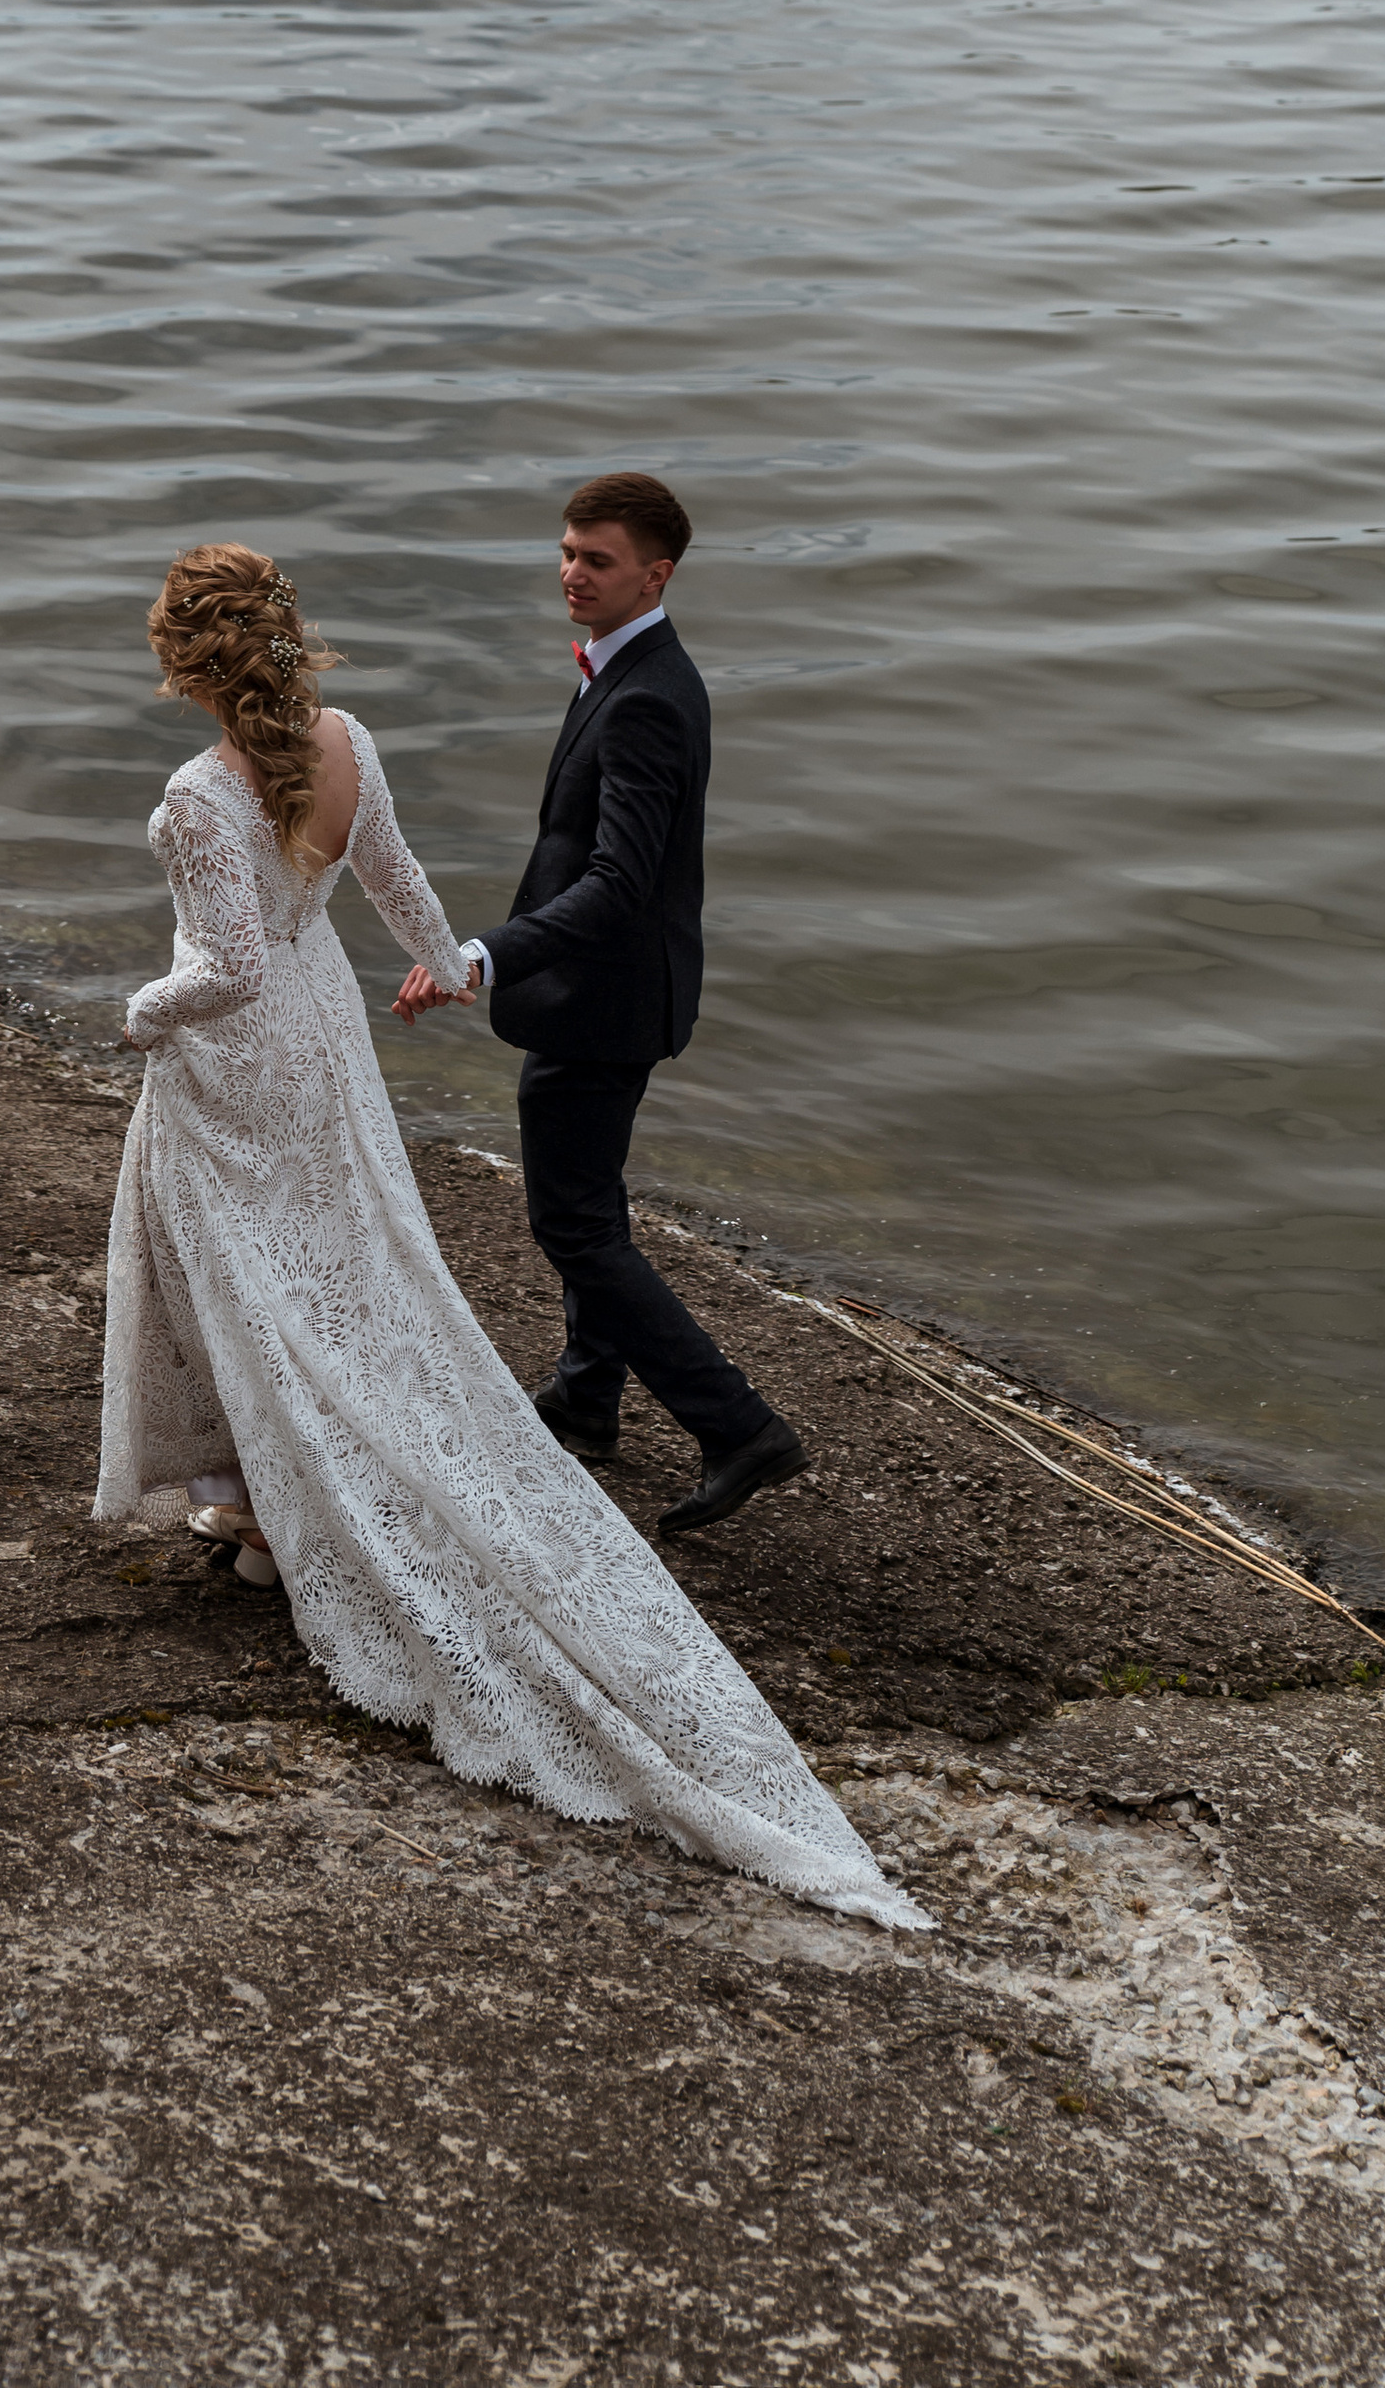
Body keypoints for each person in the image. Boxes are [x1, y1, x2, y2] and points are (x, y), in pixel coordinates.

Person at [90, 540, 925, 1933]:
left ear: (186, 660)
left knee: (238, 1270)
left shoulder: (193, 793)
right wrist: (459, 963)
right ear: (287, 640)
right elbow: (400, 887)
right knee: (339, 1276)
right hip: (329, 1050)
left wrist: (137, 1008)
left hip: (242, 1062)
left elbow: (222, 970)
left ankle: (280, 1513)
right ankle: (255, 1502)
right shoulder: (346, 740)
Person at [399, 473, 809, 1538]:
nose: (573, 573)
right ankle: (585, 1400)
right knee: (589, 1205)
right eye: (568, 552)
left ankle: (738, 1426)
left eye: (598, 560)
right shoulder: (629, 671)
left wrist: (479, 955)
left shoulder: (644, 699)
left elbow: (619, 883)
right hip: (602, 992)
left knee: (572, 1223)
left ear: (655, 575)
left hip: (605, 1000)